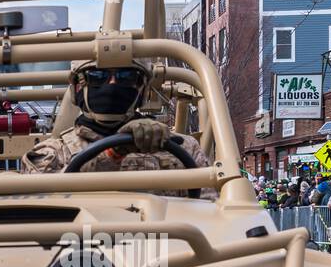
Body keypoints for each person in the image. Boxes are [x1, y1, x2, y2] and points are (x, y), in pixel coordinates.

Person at [22, 59, 210, 192]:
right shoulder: (51, 154)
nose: (112, 84)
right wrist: (113, 154)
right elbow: (41, 208)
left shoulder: (183, 147)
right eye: (97, 76)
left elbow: (210, 210)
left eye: (126, 76)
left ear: (142, 90)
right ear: (78, 89)